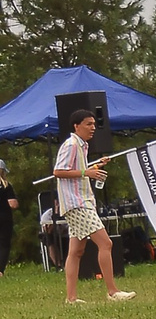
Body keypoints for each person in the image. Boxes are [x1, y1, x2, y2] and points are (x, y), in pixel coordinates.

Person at [53, 110, 134, 304]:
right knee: (105, 243)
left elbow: (79, 169)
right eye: (88, 124)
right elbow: (58, 171)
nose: (92, 128)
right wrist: (86, 172)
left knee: (76, 251)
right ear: (76, 126)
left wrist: (95, 166)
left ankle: (71, 298)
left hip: (80, 201)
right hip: (77, 203)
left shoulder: (82, 146)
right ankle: (113, 292)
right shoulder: (71, 145)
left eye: (93, 124)